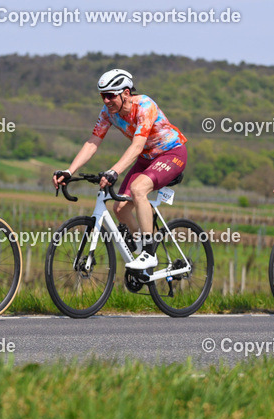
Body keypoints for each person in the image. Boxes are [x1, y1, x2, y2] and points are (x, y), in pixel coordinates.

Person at [52, 69, 188, 271]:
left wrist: (113, 171)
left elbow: (136, 146)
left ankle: (149, 254)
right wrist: (69, 170)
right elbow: (92, 142)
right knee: (120, 208)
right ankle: (143, 249)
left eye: (110, 95)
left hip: (171, 154)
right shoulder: (108, 113)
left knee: (138, 189)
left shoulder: (144, 106)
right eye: (102, 96)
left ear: (125, 93)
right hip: (145, 158)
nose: (106, 101)